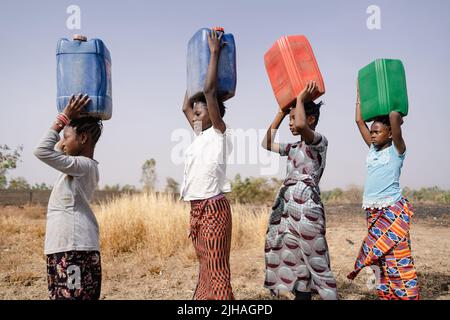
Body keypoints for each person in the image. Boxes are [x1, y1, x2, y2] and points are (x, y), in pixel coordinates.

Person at [262, 81, 338, 300]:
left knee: (318, 265)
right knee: (298, 269)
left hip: (308, 212)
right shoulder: (293, 148)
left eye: (293, 118)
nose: (291, 123)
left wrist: (299, 99)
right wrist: (280, 113)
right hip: (287, 212)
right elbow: (266, 143)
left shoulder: (318, 142)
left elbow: (304, 127)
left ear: (310, 119)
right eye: (290, 119)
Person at [347, 84, 420, 300]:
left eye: (377, 132)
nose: (372, 135)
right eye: (372, 132)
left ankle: (406, 296)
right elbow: (359, 121)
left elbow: (395, 119)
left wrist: (391, 100)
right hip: (372, 211)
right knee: (379, 258)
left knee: (397, 257)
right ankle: (385, 294)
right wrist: (360, 95)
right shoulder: (372, 150)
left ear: (390, 134)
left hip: (392, 210)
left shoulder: (397, 150)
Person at [179, 29, 234, 300]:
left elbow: (211, 92)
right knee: (204, 268)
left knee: (217, 268)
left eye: (202, 109)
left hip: (213, 207)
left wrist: (213, 53)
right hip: (197, 207)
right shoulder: (200, 136)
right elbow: (184, 107)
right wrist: (194, 69)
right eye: (196, 110)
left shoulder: (220, 132)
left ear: (215, 113)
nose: (196, 112)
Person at [34, 94, 103, 300]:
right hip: (65, 247)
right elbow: (54, 149)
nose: (62, 143)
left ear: (83, 139)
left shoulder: (83, 165)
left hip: (74, 248)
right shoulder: (74, 166)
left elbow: (41, 151)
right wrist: (70, 124)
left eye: (67, 137)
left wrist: (63, 117)